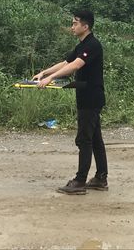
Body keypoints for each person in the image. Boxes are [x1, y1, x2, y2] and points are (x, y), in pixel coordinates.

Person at [33, 10, 108, 195]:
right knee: (95, 139)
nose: (72, 27)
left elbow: (75, 65)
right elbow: (66, 62)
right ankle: (100, 178)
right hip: (87, 97)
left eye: (75, 23)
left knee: (84, 140)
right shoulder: (82, 45)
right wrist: (44, 73)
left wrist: (51, 79)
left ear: (85, 26)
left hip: (91, 98)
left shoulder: (92, 45)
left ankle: (80, 182)